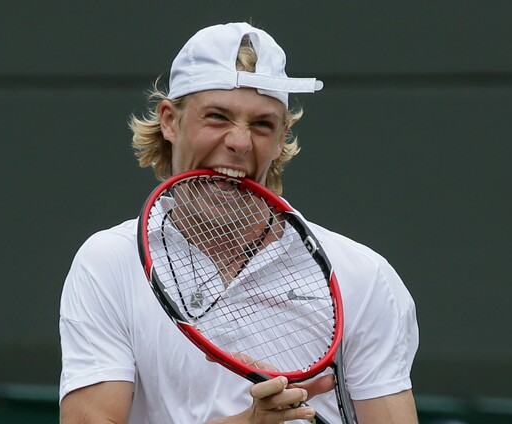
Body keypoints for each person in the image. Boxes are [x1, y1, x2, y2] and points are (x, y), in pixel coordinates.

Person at [59, 22, 419, 424]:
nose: (240, 142)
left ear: (281, 137)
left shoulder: (365, 278)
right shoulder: (108, 262)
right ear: (170, 121)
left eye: (262, 125)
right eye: (217, 118)